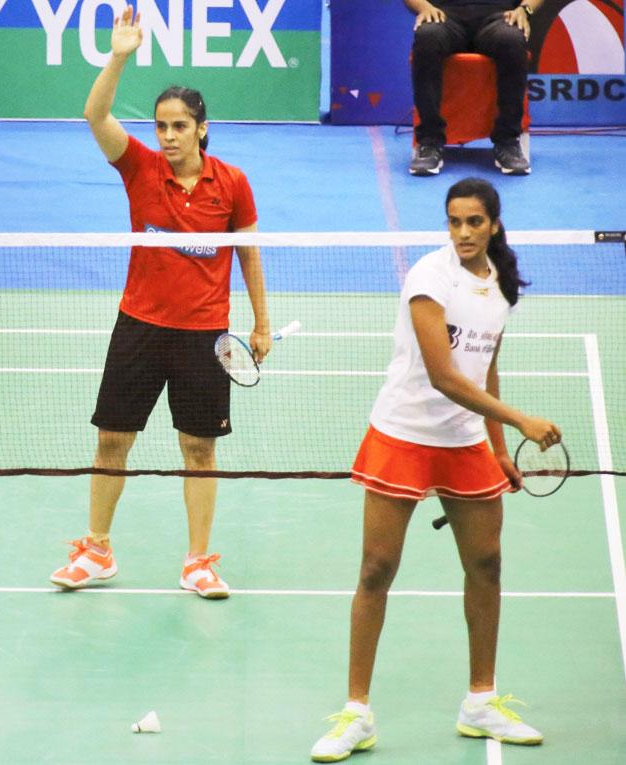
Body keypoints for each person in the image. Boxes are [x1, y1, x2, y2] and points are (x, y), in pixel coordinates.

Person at [310, 177, 560, 761]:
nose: (464, 233)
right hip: (405, 432)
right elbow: (446, 377)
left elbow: (484, 371)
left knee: (487, 564)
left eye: (474, 221)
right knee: (376, 567)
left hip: (466, 438)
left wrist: (498, 447)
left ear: (494, 224)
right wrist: (521, 421)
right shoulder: (429, 278)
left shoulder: (501, 286)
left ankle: (480, 701)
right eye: (454, 222)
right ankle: (356, 713)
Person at [50, 5, 271, 598]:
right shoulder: (140, 169)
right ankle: (96, 549)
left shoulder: (233, 183)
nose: (168, 136)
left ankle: (198, 561)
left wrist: (261, 324)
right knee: (111, 440)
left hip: (204, 336)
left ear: (201, 127)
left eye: (179, 126)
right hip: (139, 327)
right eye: (161, 126)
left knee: (198, 448)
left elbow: (249, 254)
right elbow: (95, 114)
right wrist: (119, 54)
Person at [406, 0, 542, 176]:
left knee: (512, 38)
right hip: (444, 16)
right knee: (427, 35)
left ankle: (507, 142)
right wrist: (424, 7)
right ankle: (429, 143)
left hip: (498, 17)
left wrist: (524, 10)